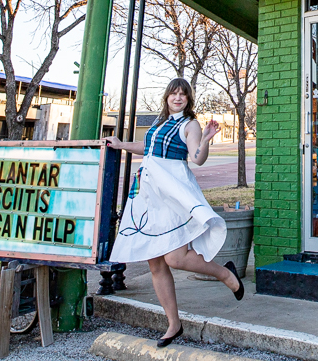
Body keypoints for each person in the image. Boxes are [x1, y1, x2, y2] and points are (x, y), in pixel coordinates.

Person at [101, 77, 245, 346]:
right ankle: (173, 324)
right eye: (173, 93)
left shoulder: (190, 124)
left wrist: (206, 139)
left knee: (176, 258)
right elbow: (149, 150)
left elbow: (196, 158)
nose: (178, 98)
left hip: (172, 193)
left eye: (183, 94)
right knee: (155, 261)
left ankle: (225, 273)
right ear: (167, 97)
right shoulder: (158, 123)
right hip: (148, 193)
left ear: (189, 99)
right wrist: (121, 145)